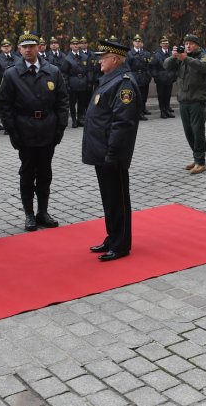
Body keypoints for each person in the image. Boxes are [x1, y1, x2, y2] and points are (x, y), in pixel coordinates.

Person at [0, 31, 69, 231]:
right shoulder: (11, 74)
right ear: (19, 50)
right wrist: (12, 131)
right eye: (24, 47)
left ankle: (43, 212)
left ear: (39, 47)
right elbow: (4, 105)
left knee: (45, 172)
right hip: (25, 129)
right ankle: (29, 214)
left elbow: (63, 101)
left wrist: (60, 126)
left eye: (32, 46)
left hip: (47, 128)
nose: (28, 50)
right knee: (27, 173)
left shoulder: (52, 71)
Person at [83, 39, 142, 261]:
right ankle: (112, 237)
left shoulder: (123, 83)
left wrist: (113, 151)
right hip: (103, 151)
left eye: (103, 57)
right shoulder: (112, 79)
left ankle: (120, 243)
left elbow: (122, 122)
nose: (99, 61)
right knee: (109, 197)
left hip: (112, 153)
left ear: (114, 59)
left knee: (117, 199)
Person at [165, 34, 206, 174]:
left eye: (191, 43)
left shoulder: (202, 57)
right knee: (189, 132)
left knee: (198, 132)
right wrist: (175, 56)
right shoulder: (181, 58)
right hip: (184, 100)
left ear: (197, 45)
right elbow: (166, 66)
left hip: (197, 100)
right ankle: (196, 157)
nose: (188, 46)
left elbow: (205, 67)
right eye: (186, 43)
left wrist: (185, 58)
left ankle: (200, 161)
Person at [63, 37, 90, 127]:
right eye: (73, 44)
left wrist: (89, 82)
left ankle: (80, 119)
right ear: (70, 46)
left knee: (82, 103)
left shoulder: (85, 57)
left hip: (83, 82)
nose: (75, 45)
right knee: (72, 103)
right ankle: (74, 119)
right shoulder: (67, 58)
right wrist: (67, 85)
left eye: (76, 44)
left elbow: (88, 71)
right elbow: (65, 73)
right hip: (73, 83)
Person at [151, 36, 178, 118]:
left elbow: (176, 65)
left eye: (166, 43)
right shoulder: (156, 54)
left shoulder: (171, 53)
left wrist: (175, 76)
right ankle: (162, 111)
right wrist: (156, 76)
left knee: (168, 95)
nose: (165, 45)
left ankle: (167, 109)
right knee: (161, 95)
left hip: (169, 77)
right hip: (161, 77)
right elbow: (153, 66)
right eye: (163, 43)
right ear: (160, 44)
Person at [127, 35, 153, 120]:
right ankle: (137, 113)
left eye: (139, 41)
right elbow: (127, 67)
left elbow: (148, 65)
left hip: (144, 76)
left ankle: (142, 110)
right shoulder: (129, 53)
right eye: (136, 41)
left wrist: (148, 75)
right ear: (133, 42)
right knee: (136, 96)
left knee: (143, 95)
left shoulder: (144, 53)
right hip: (135, 76)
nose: (137, 43)